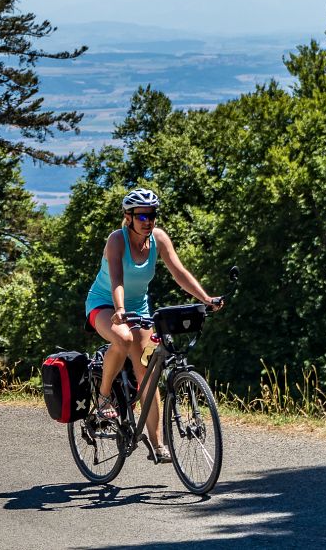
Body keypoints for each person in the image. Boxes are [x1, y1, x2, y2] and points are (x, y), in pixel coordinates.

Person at [85, 188, 223, 464]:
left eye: (152, 215)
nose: (148, 221)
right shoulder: (116, 241)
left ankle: (159, 445)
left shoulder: (158, 239)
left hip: (139, 308)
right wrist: (120, 310)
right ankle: (103, 398)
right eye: (142, 216)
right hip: (104, 303)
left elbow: (179, 272)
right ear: (129, 217)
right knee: (122, 340)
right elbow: (117, 280)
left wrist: (206, 298)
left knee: (148, 371)